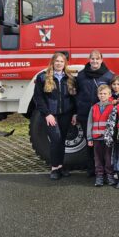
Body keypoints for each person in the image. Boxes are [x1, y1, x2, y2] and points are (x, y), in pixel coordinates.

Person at [33, 52, 77, 180]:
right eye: (57, 61)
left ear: (65, 64)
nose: (59, 63)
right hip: (51, 115)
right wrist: (47, 114)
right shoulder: (43, 77)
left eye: (61, 61)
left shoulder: (69, 78)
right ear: (52, 62)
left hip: (66, 113)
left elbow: (74, 98)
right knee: (56, 139)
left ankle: (61, 166)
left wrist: (74, 113)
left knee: (62, 139)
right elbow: (38, 98)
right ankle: (54, 168)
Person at [76, 50, 114, 176]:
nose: (95, 61)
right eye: (92, 59)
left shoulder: (109, 76)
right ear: (89, 59)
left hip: (103, 115)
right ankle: (92, 169)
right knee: (90, 141)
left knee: (104, 143)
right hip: (85, 113)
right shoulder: (81, 75)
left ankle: (105, 170)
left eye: (97, 59)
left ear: (102, 60)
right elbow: (76, 95)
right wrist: (75, 113)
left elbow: (113, 94)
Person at [87, 84, 115, 187]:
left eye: (105, 93)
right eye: (100, 93)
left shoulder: (112, 107)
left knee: (108, 158)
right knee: (97, 158)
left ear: (109, 95)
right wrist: (89, 137)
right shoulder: (93, 108)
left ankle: (109, 175)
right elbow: (90, 123)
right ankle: (99, 176)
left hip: (108, 138)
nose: (102, 95)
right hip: (96, 138)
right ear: (97, 95)